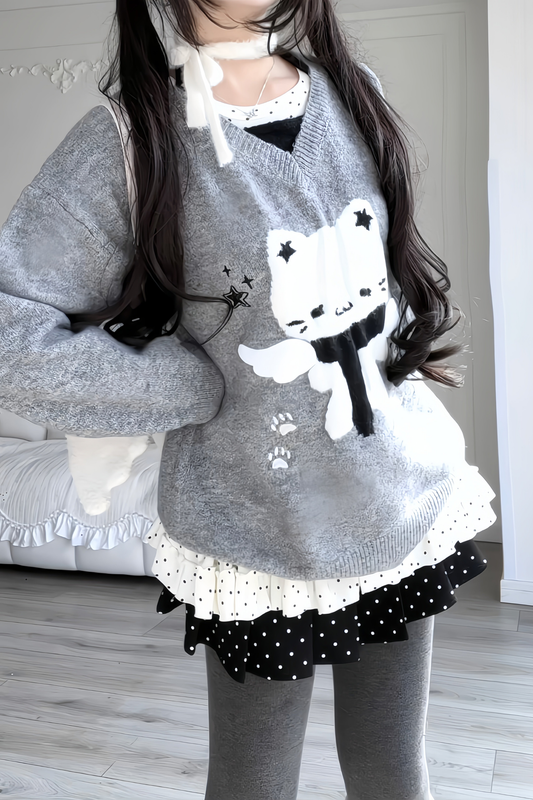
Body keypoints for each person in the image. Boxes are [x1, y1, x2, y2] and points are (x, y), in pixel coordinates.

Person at [0, 1, 497, 798]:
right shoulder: (131, 139)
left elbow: (381, 283)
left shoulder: (350, 92)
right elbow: (13, 333)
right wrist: (184, 385)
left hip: (399, 502)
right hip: (255, 534)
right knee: (253, 784)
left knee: (392, 768)